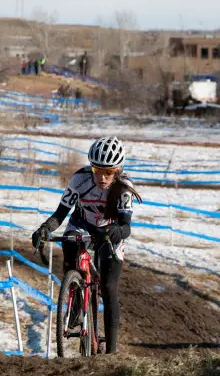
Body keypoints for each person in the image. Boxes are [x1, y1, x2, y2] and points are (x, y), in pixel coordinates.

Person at [31, 136, 142, 354]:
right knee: (70, 245)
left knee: (109, 288)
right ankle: (73, 296)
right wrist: (45, 228)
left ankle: (111, 351)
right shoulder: (80, 179)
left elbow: (126, 227)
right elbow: (60, 214)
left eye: (108, 172)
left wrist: (116, 231)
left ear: (117, 170)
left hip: (110, 231)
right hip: (81, 224)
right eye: (97, 170)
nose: (102, 177)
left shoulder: (124, 188)